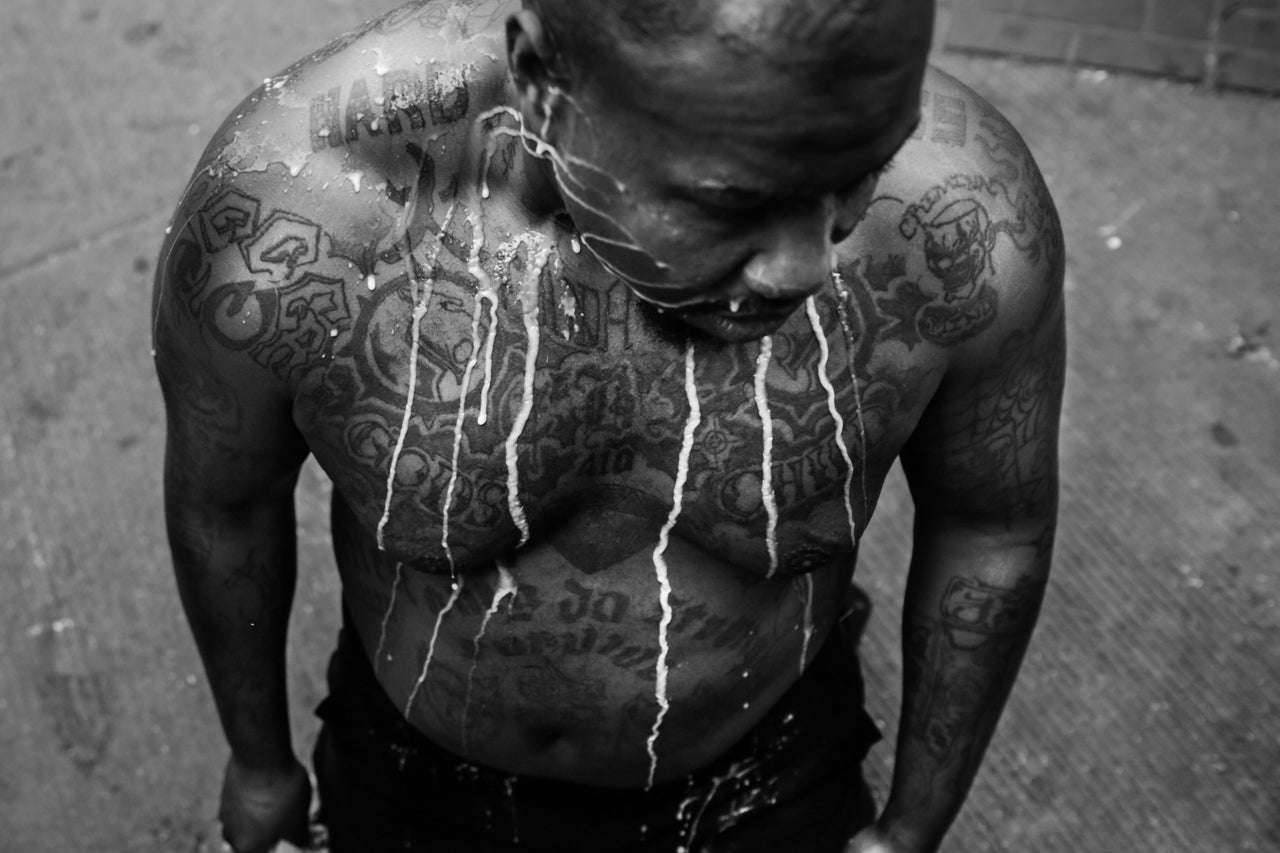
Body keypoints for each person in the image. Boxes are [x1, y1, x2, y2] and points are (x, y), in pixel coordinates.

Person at [153, 0, 1065, 850]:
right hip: (411, 775)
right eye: (731, 201)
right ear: (543, 84)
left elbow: (993, 524)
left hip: (772, 771)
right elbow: (225, 505)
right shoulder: (296, 218)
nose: (804, 269)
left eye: (865, 169)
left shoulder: (967, 223)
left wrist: (912, 827)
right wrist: (261, 762)